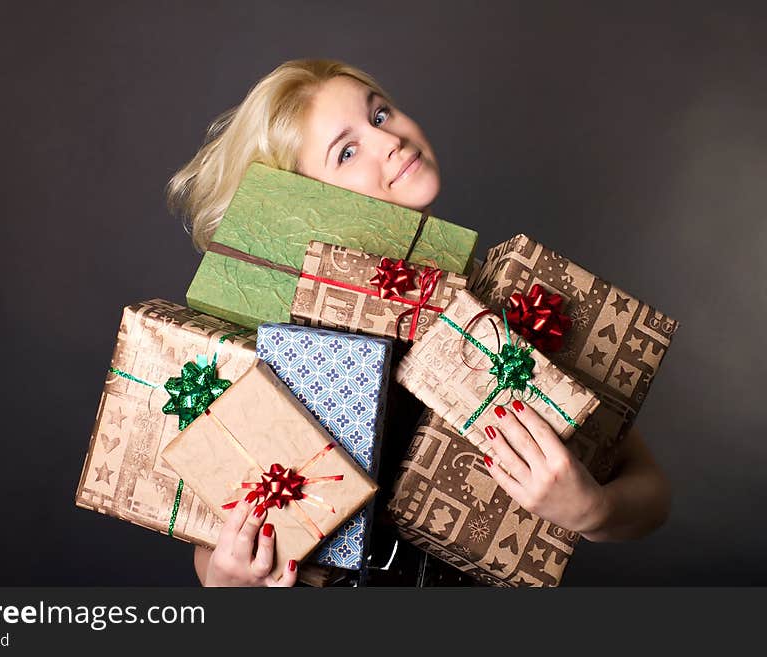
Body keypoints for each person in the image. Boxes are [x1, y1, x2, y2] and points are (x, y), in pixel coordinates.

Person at [166, 59, 671, 587]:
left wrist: (593, 512)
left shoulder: (503, 296)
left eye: (379, 115)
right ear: (304, 204)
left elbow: (650, 491)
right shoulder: (286, 334)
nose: (390, 141)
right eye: (346, 150)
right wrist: (229, 581)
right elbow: (217, 546)